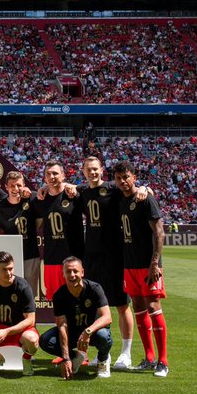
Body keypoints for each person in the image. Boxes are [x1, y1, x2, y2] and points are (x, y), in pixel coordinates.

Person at [76, 154, 135, 370]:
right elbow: (62, 186)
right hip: (91, 255)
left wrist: (146, 190)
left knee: (120, 304)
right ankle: (103, 353)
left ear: (102, 170)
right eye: (88, 169)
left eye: (95, 169)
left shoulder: (113, 188)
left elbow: (134, 188)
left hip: (114, 254)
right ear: (83, 172)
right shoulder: (82, 191)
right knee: (96, 307)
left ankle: (126, 353)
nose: (92, 172)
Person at [114, 160, 169, 377]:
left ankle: (163, 362)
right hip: (130, 264)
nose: (122, 181)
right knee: (137, 305)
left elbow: (159, 232)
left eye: (126, 177)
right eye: (119, 178)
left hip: (148, 265)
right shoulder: (120, 199)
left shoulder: (146, 199)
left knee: (153, 305)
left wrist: (155, 263)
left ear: (134, 177)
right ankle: (148, 357)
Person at [39, 256, 113, 378]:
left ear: (82, 272)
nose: (72, 275)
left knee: (103, 336)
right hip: (72, 334)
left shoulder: (95, 289)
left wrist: (88, 331)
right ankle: (76, 357)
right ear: (63, 273)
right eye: (68, 271)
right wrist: (66, 358)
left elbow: (107, 317)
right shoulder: (59, 295)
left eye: (75, 271)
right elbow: (62, 327)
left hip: (93, 332)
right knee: (46, 341)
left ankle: (103, 359)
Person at [30, 160, 83, 300]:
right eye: (48, 174)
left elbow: (94, 189)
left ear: (63, 175)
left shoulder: (74, 195)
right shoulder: (39, 200)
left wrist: (146, 188)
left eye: (55, 173)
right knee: (57, 301)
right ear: (44, 177)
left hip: (74, 257)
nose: (52, 176)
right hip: (52, 259)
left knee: (78, 299)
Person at [0, 170, 38, 299]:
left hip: (30, 255)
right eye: (12, 185)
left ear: (24, 185)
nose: (16, 188)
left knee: (29, 294)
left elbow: (40, 219)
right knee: (10, 293)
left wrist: (31, 193)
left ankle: (31, 319)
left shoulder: (31, 199)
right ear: (6, 187)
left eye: (19, 185)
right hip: (9, 257)